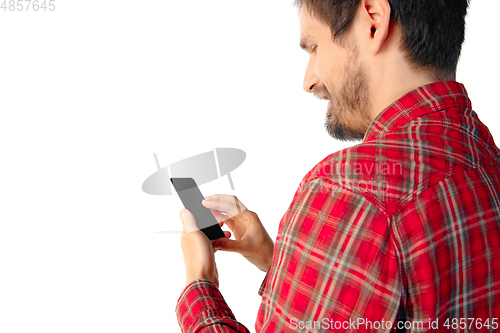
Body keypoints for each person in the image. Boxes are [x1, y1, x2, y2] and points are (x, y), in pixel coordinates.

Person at [176, 0, 500, 331]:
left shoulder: (351, 192)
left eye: (315, 47)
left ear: (374, 22)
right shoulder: (485, 158)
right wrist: (282, 264)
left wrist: (199, 283)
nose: (309, 80)